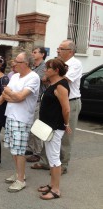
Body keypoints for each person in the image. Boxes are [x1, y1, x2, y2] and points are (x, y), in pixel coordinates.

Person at [0, 52, 40, 192]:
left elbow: (20, 96)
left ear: (26, 64)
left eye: (17, 61)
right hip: (10, 115)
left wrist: (12, 94)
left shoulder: (33, 77)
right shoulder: (16, 76)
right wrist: (12, 97)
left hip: (22, 118)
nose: (14, 64)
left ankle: (21, 180)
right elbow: (5, 95)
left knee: (19, 150)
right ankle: (19, 173)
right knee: (13, 148)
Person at [32, 40, 82, 174]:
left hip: (70, 101)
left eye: (61, 49)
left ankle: (62, 165)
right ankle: (45, 161)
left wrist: (49, 76)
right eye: (58, 48)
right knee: (46, 130)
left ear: (70, 52)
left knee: (65, 135)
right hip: (54, 101)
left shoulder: (75, 64)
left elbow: (63, 79)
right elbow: (49, 78)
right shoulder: (57, 63)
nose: (58, 51)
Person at [37, 58, 71, 200]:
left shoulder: (61, 86)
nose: (45, 70)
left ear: (56, 70)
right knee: (52, 157)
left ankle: (56, 190)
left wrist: (66, 124)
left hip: (55, 127)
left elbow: (66, 109)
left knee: (54, 158)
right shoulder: (53, 83)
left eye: (48, 68)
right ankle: (52, 185)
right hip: (47, 126)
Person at [26, 47, 47, 163]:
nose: (33, 54)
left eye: (35, 52)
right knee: (29, 125)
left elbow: (38, 79)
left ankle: (38, 152)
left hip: (38, 99)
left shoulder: (44, 66)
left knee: (36, 126)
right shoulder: (33, 66)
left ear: (42, 54)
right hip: (31, 99)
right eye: (32, 52)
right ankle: (30, 147)